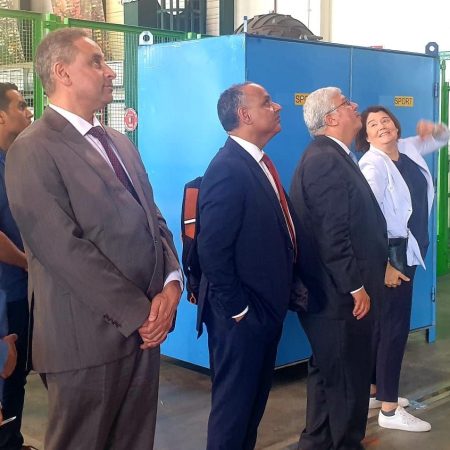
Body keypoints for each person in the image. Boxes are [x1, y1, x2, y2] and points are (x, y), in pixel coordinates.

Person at [5, 28, 182, 450]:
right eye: (96, 62)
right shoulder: (33, 149)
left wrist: (172, 283)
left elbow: (153, 219)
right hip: (84, 342)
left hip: (143, 333)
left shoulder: (118, 142)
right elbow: (64, 250)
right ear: (62, 73)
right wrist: (142, 313)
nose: (110, 72)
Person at [197, 82, 297, 450]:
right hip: (240, 318)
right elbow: (212, 249)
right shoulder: (228, 168)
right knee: (233, 413)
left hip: (263, 311)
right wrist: (239, 310)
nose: (278, 107)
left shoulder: (257, 163)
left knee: (251, 410)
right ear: (245, 115)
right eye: (267, 102)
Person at [289, 87, 388, 450]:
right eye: (346, 103)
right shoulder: (325, 161)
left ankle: (316, 443)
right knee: (348, 386)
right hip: (339, 299)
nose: (355, 105)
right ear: (331, 118)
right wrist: (355, 287)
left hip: (335, 297)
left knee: (330, 379)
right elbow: (332, 233)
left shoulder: (334, 156)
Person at [356, 106, 449, 432]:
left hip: (409, 250)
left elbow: (443, 137)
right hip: (392, 257)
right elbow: (367, 217)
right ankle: (390, 409)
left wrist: (434, 127)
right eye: (373, 124)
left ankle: (374, 391)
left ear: (396, 126)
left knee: (383, 326)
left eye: (386, 120)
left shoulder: (407, 147)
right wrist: (384, 264)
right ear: (366, 136)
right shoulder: (372, 164)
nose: (382, 126)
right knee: (393, 330)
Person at [0, 81, 34, 450]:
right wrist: (29, 264)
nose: (28, 112)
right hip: (6, 293)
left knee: (17, 374)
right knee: (6, 373)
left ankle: (12, 440)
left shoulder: (12, 160)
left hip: (20, 289)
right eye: (21, 105)